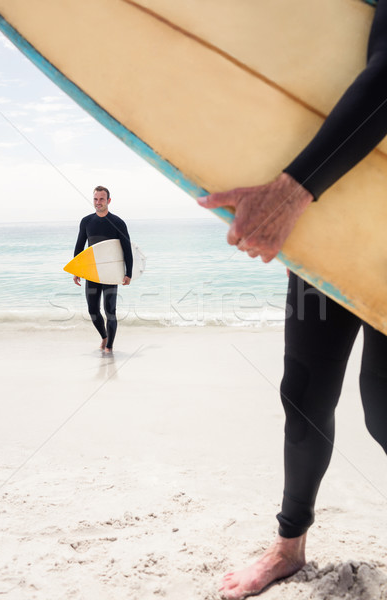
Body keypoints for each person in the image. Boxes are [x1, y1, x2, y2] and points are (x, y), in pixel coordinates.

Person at [198, 1, 387, 597]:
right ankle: (288, 545)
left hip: (346, 214)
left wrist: (291, 190)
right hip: (333, 229)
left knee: (383, 406)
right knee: (304, 398)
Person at [73, 186, 133, 354]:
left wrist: (128, 273)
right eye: (95, 199)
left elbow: (127, 249)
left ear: (108, 201)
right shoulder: (86, 221)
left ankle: (109, 347)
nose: (98, 202)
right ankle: (104, 336)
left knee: (110, 311)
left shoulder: (118, 222)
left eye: (101, 199)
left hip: (111, 273)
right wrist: (76, 269)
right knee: (92, 310)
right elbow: (79, 246)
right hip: (92, 271)